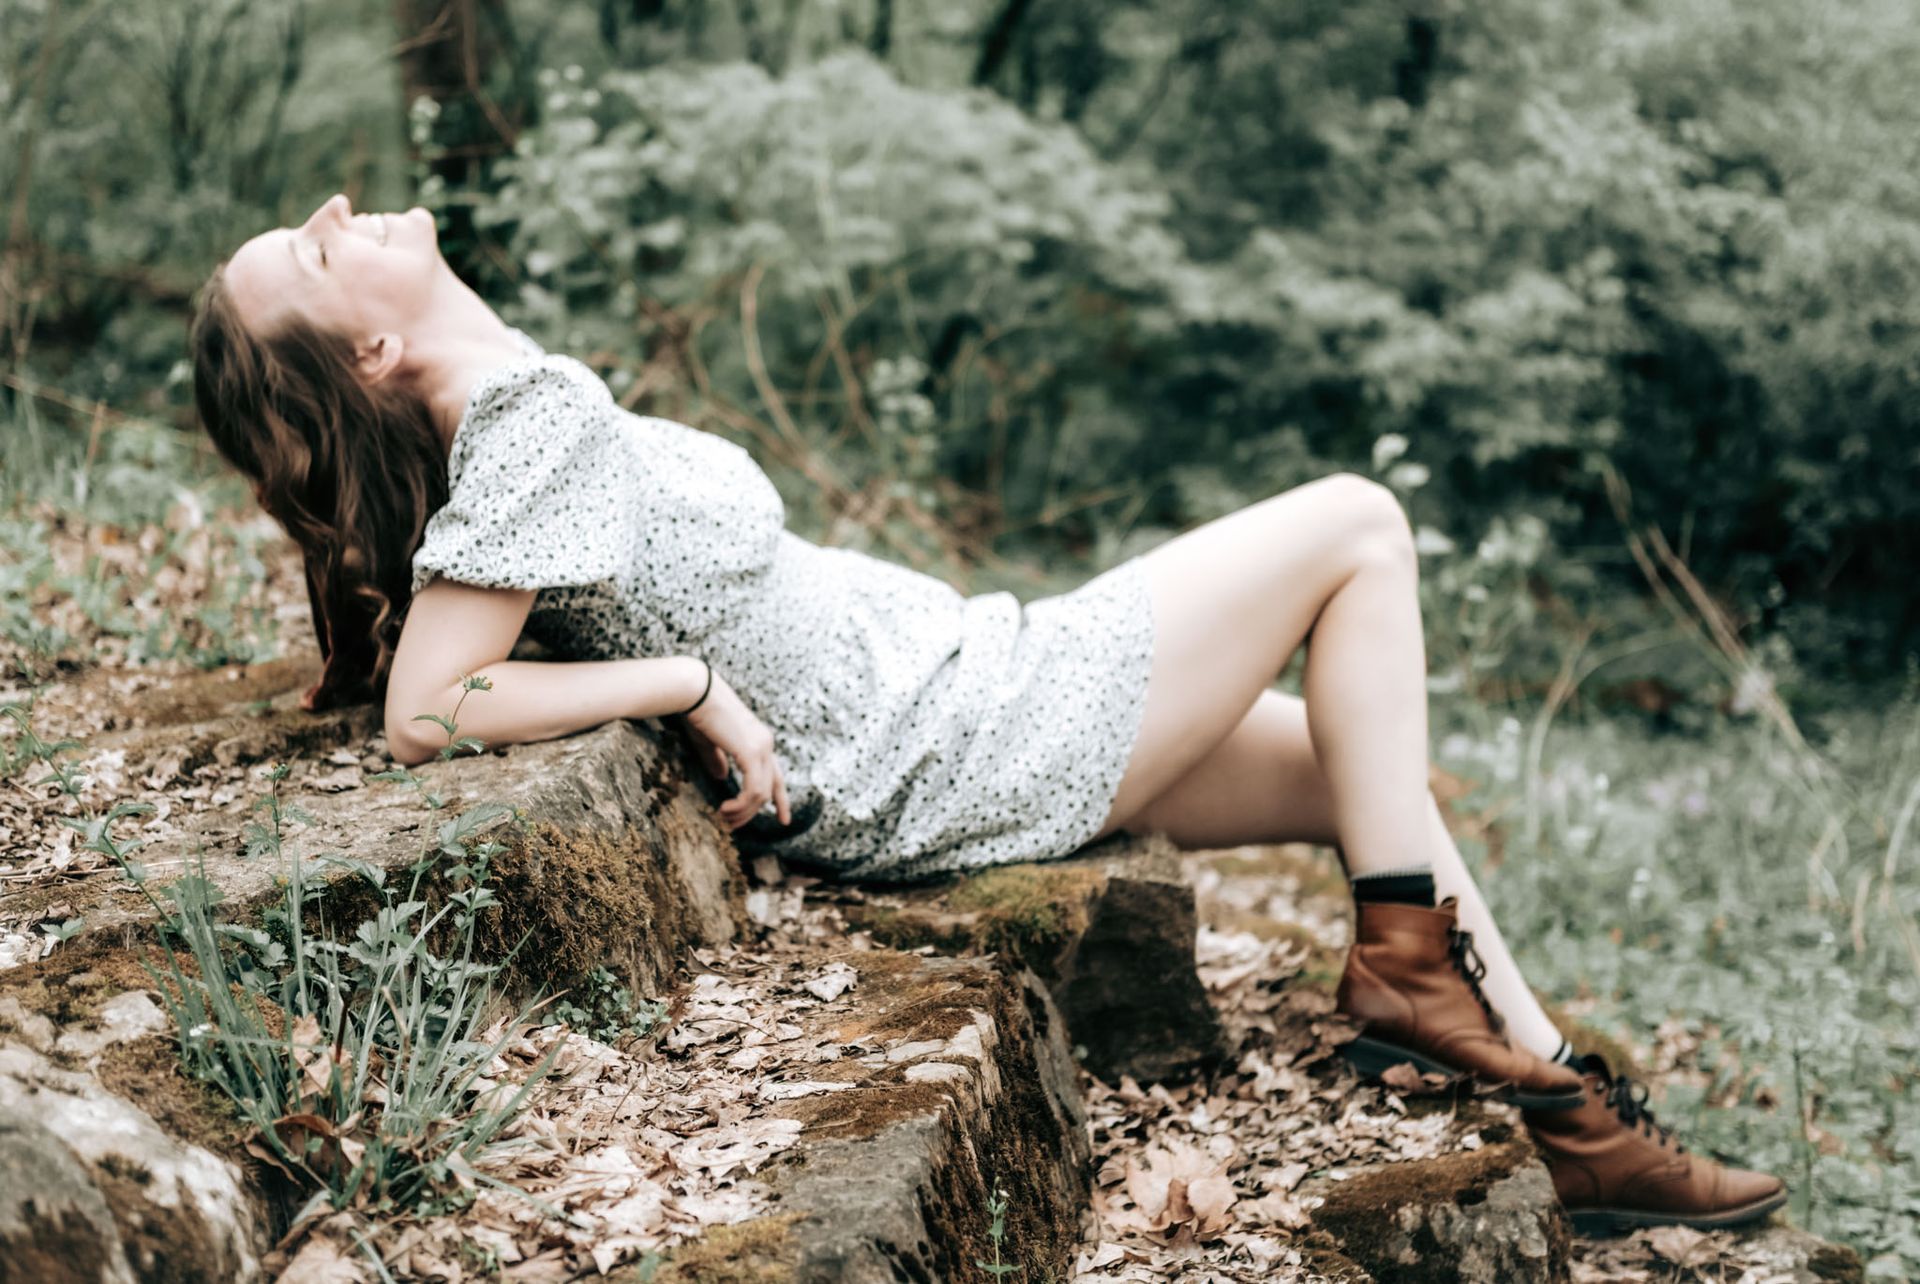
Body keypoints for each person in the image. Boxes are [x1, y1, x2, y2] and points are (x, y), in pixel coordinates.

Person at [189, 192, 1788, 1234]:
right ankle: (1406, 973)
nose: (333, 210)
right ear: (376, 347)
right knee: (1360, 522)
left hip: (956, 695)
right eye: (314, 254)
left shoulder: (515, 411)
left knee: (1367, 782)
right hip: (959, 733)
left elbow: (453, 642)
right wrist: (683, 683)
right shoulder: (521, 414)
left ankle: (1568, 1109)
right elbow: (432, 707)